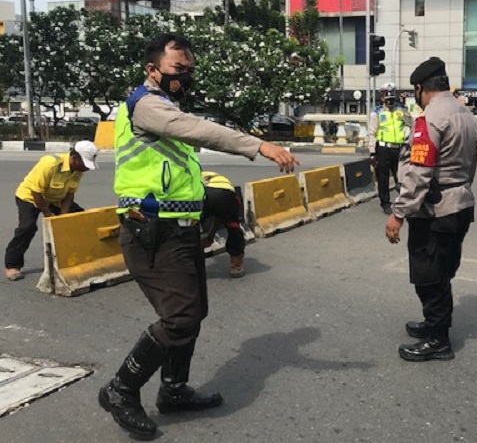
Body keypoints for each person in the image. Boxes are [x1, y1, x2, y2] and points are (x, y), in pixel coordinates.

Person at [100, 33, 299, 440]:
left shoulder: (166, 105)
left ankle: (173, 389)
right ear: (152, 69)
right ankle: (121, 389)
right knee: (180, 319)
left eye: (189, 69)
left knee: (193, 314)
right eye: (178, 68)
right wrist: (258, 145)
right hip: (151, 232)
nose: (184, 76)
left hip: (181, 230)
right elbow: (199, 130)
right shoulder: (146, 105)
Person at [385, 57, 477, 362]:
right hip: (460, 203)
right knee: (442, 271)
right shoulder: (466, 115)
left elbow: (419, 171)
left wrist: (399, 213)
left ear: (419, 88)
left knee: (429, 275)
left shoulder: (430, 118)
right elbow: (472, 164)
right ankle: (433, 324)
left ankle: (438, 340)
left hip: (434, 210)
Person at [4, 141, 99, 280]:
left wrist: (63, 215)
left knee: (78, 219)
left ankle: (76, 257)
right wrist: (48, 214)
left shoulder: (78, 170)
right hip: (30, 197)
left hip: (55, 199)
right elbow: (36, 192)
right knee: (27, 228)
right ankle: (12, 265)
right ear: (74, 157)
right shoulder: (50, 163)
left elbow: (70, 194)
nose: (86, 168)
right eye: (84, 164)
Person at [368, 83, 411, 214]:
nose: (390, 102)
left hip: (399, 149)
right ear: (382, 98)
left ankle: (403, 202)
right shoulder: (377, 112)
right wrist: (372, 152)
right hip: (383, 148)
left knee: (402, 177)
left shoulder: (401, 110)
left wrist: (405, 108)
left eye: (392, 99)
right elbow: (372, 133)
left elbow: (412, 123)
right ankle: (385, 203)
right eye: (387, 99)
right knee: (383, 178)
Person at [201, 171, 246, 278]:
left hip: (202, 195)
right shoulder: (219, 178)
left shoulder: (193, 173)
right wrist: (211, 235)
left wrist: (210, 235)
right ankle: (236, 266)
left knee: (191, 227)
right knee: (233, 227)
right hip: (226, 195)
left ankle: (192, 264)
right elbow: (220, 215)